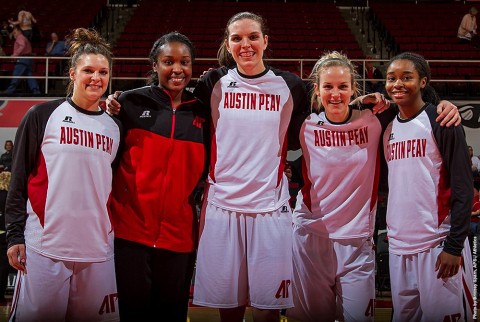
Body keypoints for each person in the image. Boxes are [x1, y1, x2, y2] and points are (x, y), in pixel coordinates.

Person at [285, 51, 461, 322]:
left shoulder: (377, 119)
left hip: (357, 240)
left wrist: (444, 105)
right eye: (328, 87)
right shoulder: (302, 123)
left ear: (353, 88)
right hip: (311, 235)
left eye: (343, 87)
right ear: (317, 90)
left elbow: (415, 107)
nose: (335, 94)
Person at [5, 27, 121, 321]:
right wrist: (14, 235)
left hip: (98, 248)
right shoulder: (42, 115)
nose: (96, 78)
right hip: (45, 246)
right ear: (72, 74)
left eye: (103, 72)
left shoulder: (116, 126)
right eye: (88, 71)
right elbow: (18, 180)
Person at [108, 31, 207, 322]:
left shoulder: (204, 113)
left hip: (179, 238)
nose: (177, 69)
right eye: (168, 61)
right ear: (154, 65)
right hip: (129, 233)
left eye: (185, 62)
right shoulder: (128, 103)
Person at [383, 52, 474, 321]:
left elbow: (463, 187)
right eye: (391, 78)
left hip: (438, 245)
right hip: (399, 248)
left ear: (423, 81)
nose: (397, 84)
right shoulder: (387, 128)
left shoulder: (442, 121)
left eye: (406, 77)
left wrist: (454, 246)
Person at [4, 24, 41, 95]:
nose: (14, 34)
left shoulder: (20, 37)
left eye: (14, 32)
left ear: (18, 31)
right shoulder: (24, 37)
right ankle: (36, 91)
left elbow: (22, 45)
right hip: (28, 58)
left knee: (17, 74)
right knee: (29, 76)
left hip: (23, 59)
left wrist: (15, 54)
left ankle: (9, 91)